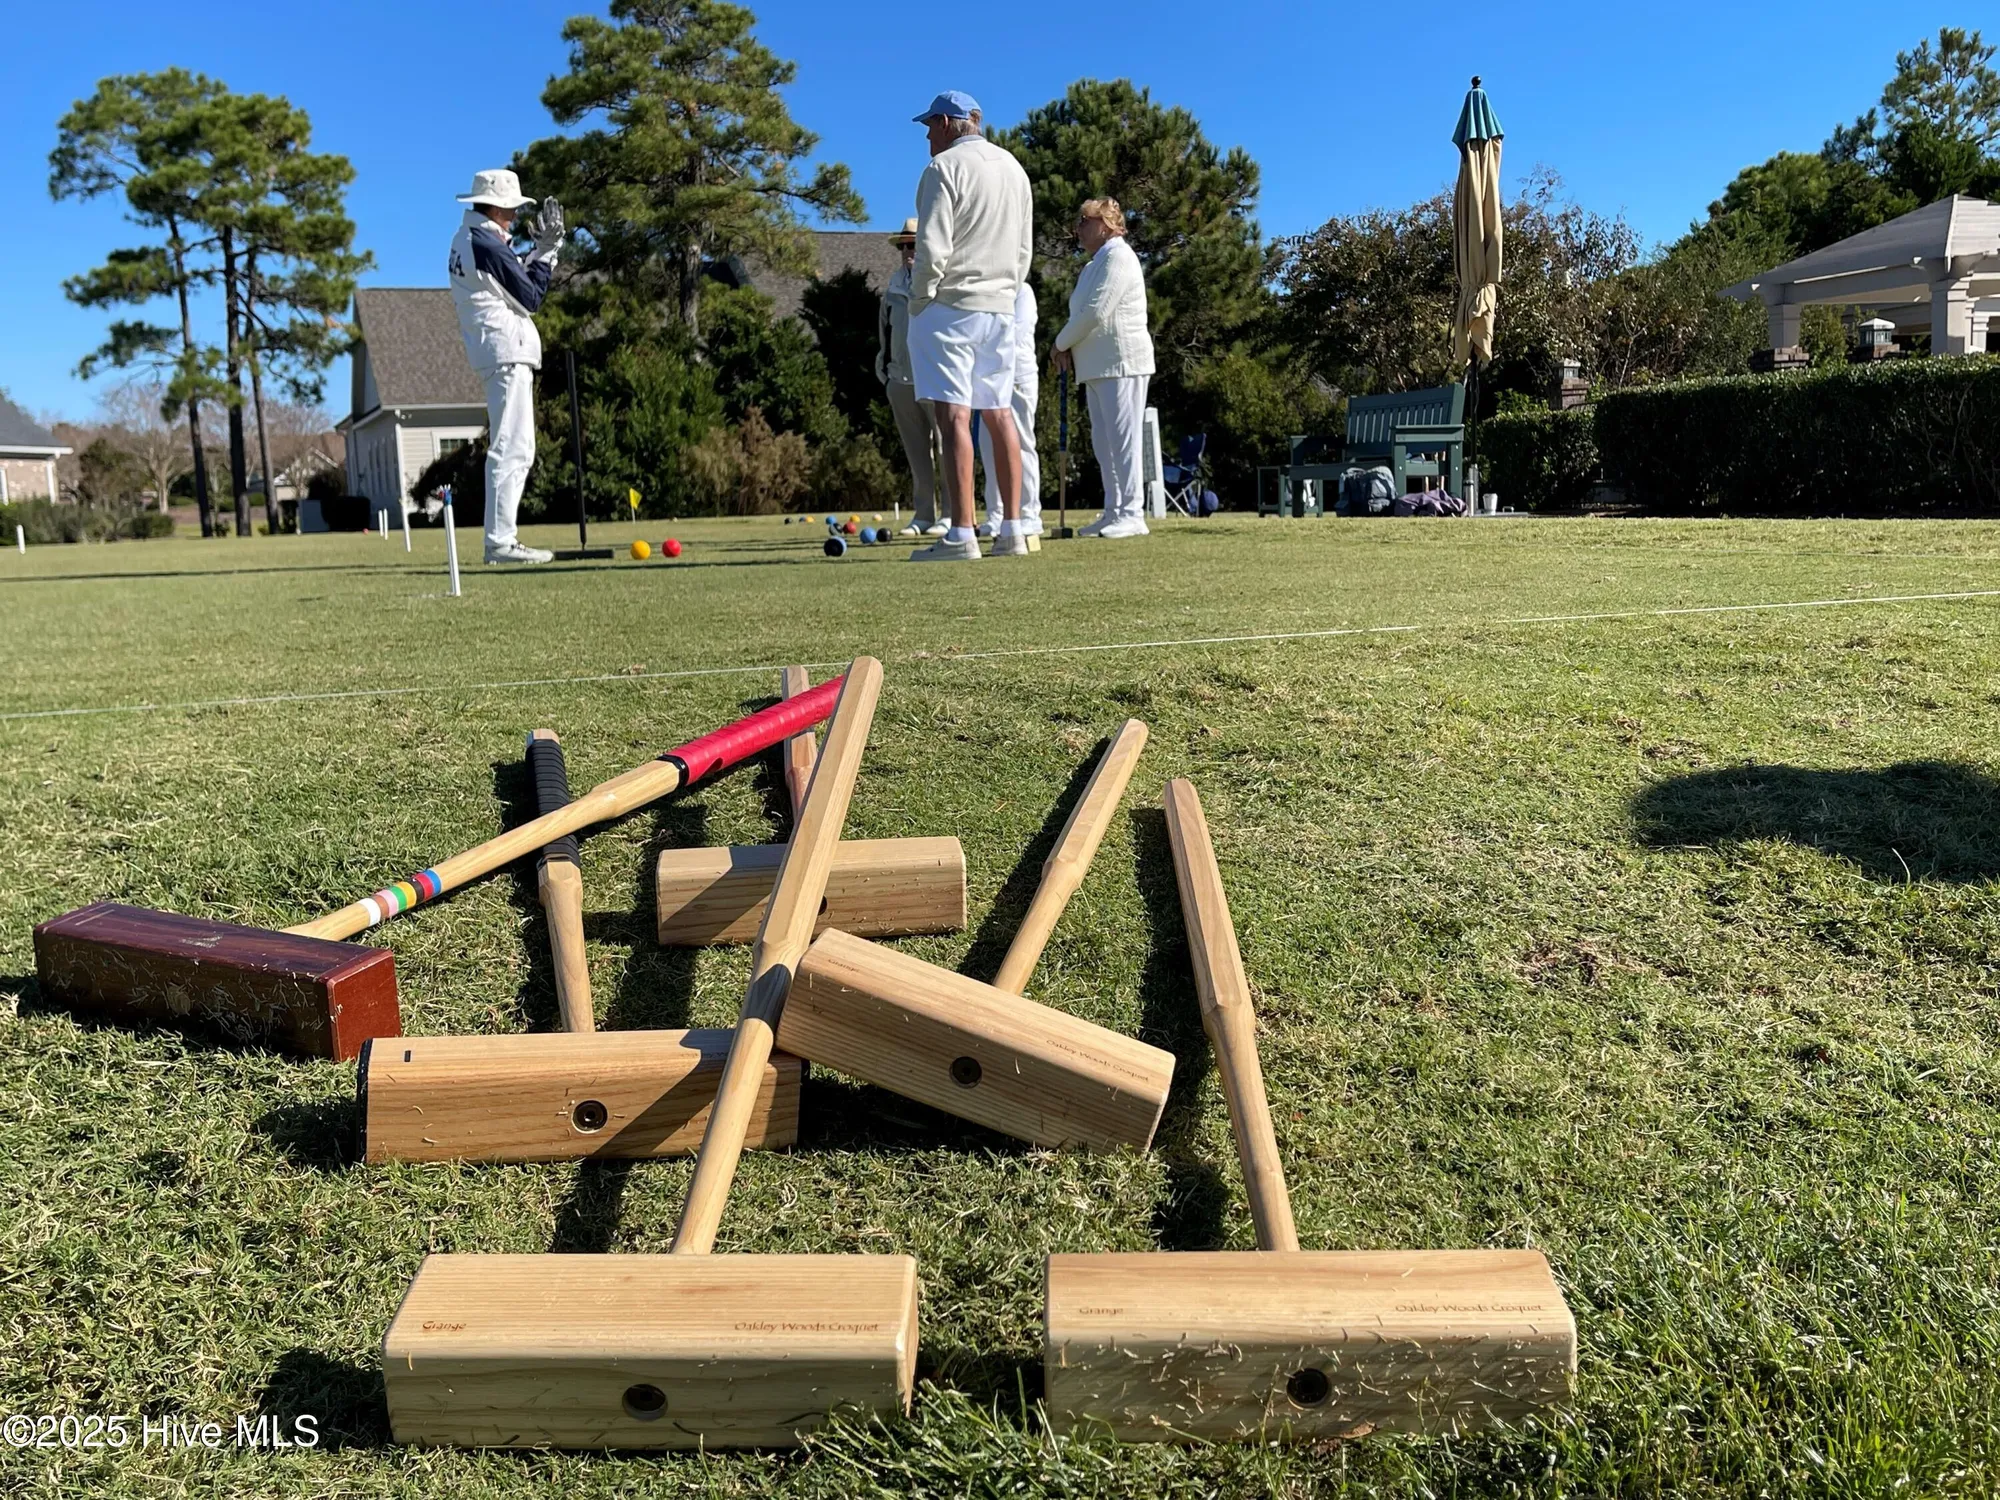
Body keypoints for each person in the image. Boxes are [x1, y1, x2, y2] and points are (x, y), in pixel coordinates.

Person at [903, 91, 1034, 563]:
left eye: (929, 127)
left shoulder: (942, 170)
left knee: (954, 415)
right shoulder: (1014, 169)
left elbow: (932, 247)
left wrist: (919, 300)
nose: (927, 137)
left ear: (946, 122)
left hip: (950, 306)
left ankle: (962, 532)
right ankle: (1013, 529)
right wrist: (1005, 294)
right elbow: (1023, 252)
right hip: (1000, 305)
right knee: (1000, 411)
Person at [447, 168, 563, 565]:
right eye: (511, 209)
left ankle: (501, 540)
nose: (514, 217)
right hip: (505, 350)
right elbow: (529, 296)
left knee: (515, 446)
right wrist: (546, 252)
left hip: (496, 349)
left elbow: (512, 283)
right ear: (494, 207)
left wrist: (535, 253)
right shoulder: (486, 244)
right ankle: (500, 542)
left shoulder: (470, 239)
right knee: (512, 447)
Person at [1052, 197, 1155, 540]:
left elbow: (1097, 311)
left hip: (1121, 362)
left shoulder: (1119, 256)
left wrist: (1060, 343)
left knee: (1123, 440)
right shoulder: (1092, 265)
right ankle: (1114, 510)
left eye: (1085, 221)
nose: (1078, 228)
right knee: (1104, 443)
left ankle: (1132, 513)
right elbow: (1080, 314)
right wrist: (1069, 345)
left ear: (1107, 225)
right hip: (1096, 366)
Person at [877, 219, 947, 539]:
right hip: (901, 380)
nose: (909, 251)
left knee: (946, 447)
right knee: (917, 452)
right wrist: (886, 373)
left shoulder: (942, 284)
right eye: (904, 245)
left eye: (915, 244)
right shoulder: (892, 287)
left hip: (935, 377)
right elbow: (884, 335)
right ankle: (923, 515)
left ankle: (951, 513)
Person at [976, 279, 1042, 539]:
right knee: (989, 446)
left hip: (1017, 377)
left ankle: (1029, 514)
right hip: (988, 379)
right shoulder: (985, 292)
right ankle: (995, 513)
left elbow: (1015, 333)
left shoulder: (1023, 291)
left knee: (1021, 444)